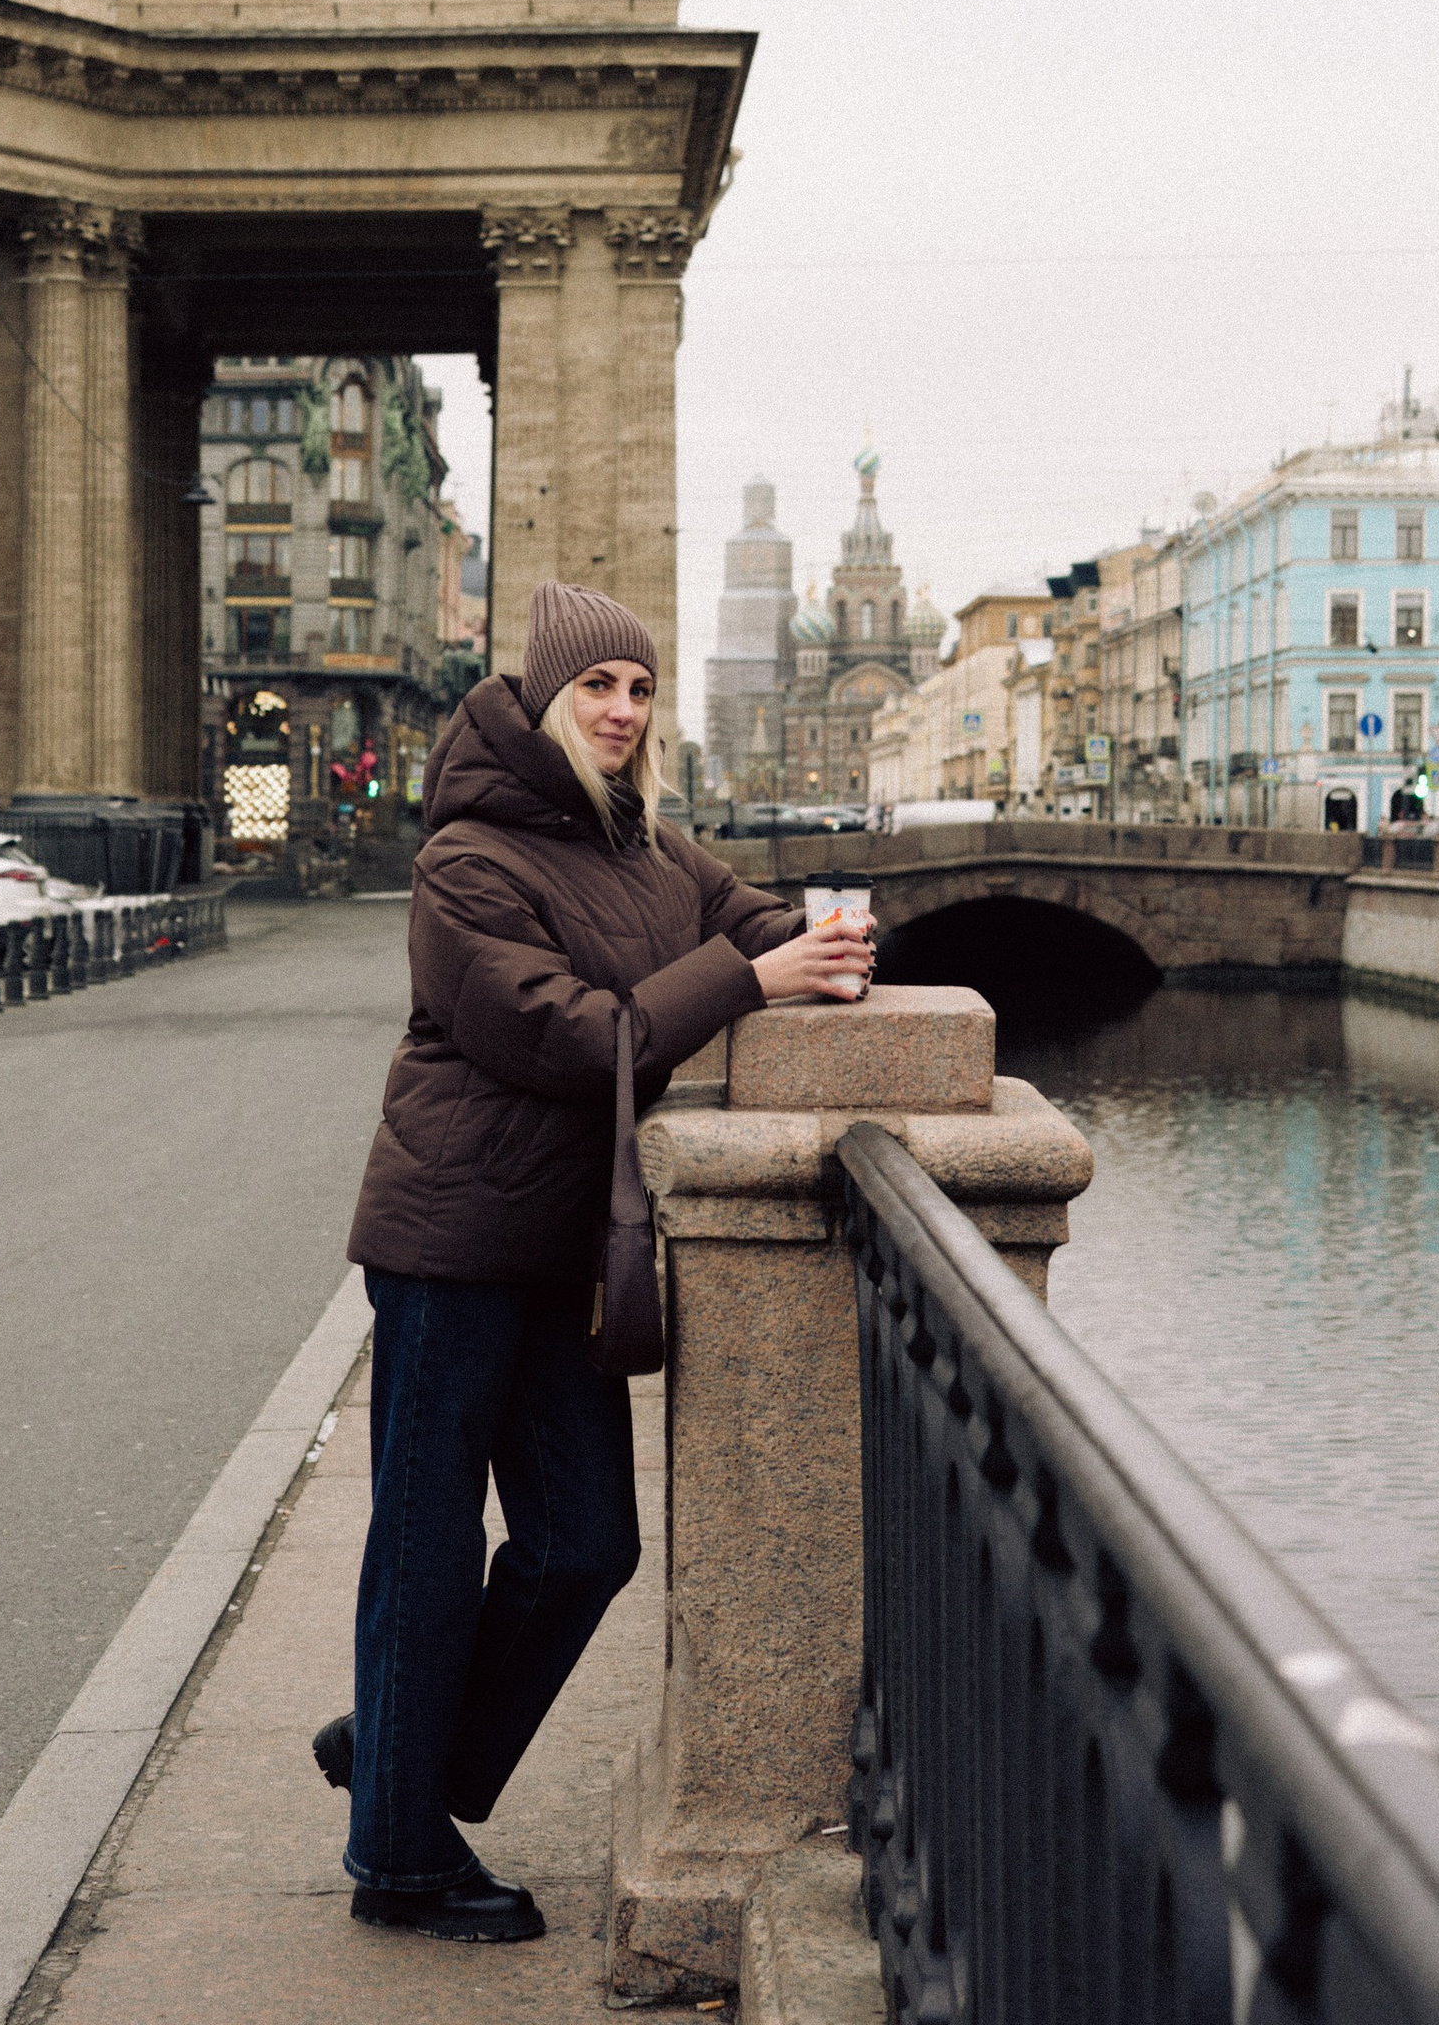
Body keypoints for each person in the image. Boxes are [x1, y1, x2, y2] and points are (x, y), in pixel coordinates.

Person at [321, 579, 876, 1943]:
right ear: (543, 698)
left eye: (639, 688)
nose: (624, 711)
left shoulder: (649, 850)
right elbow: (574, 1036)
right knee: (430, 1550)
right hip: (454, 1244)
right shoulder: (467, 862)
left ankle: (397, 1757)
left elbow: (746, 919)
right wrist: (752, 982)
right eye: (598, 689)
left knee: (584, 1547)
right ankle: (395, 1858)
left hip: (568, 1250)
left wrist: (834, 940)